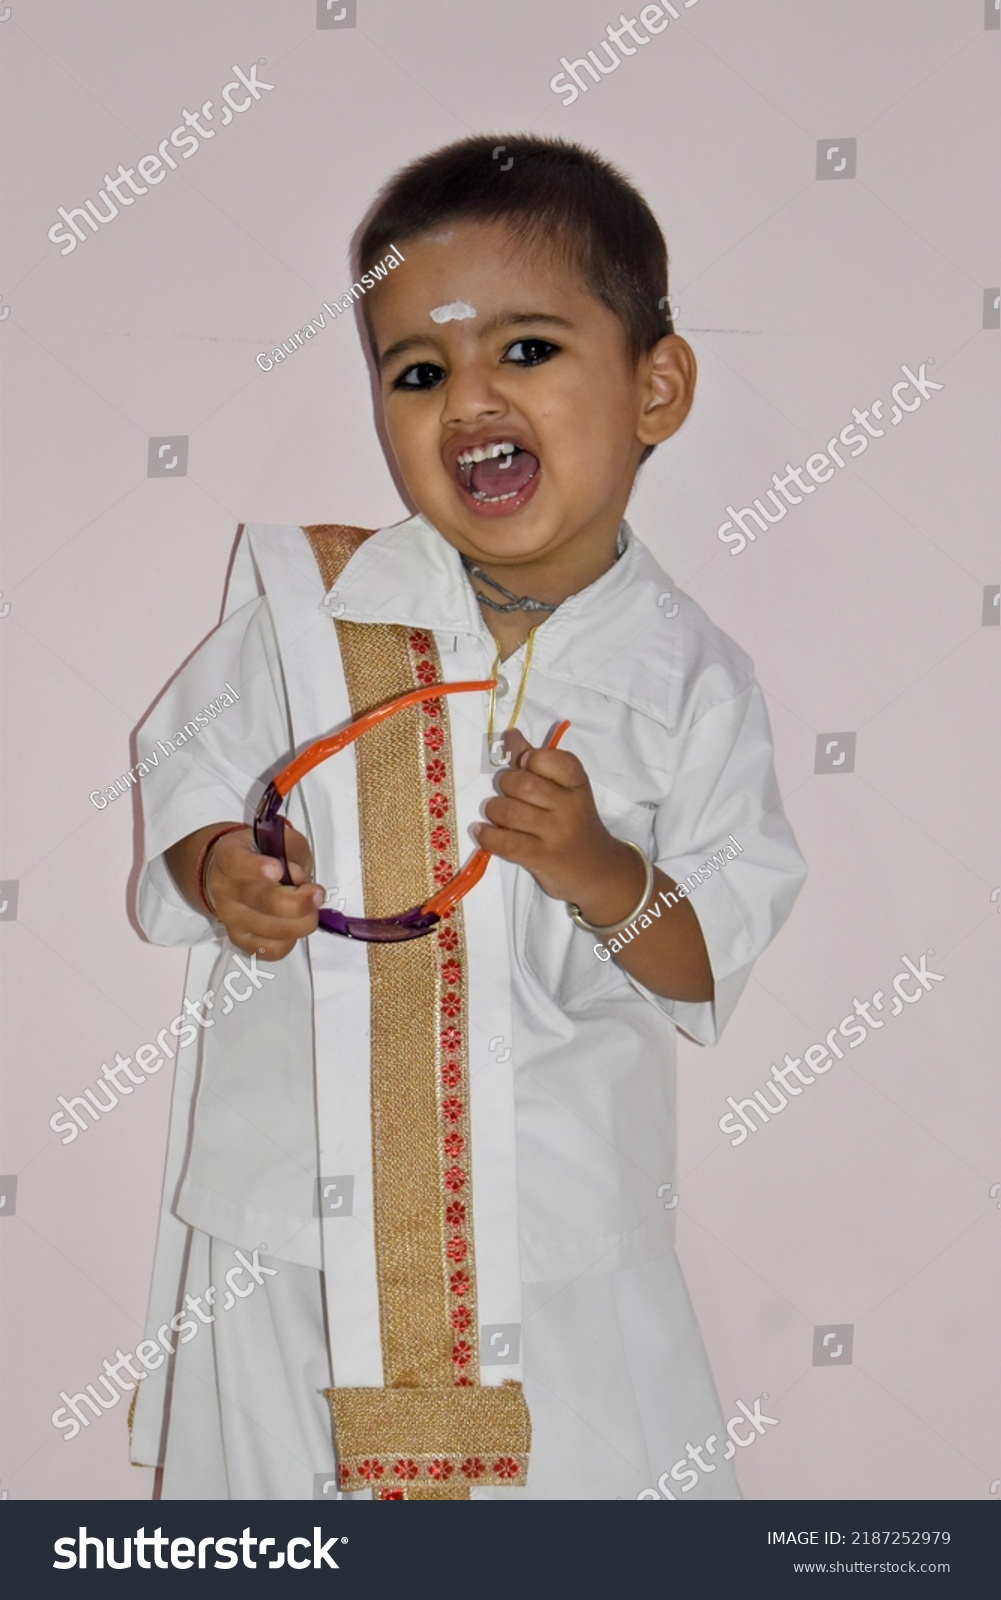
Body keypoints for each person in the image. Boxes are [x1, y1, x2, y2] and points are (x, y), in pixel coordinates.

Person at [129, 134, 807, 1500]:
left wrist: (603, 871)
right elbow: (189, 771)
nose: (468, 399)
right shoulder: (312, 615)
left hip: (553, 1239)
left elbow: (706, 951)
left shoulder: (689, 680)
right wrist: (218, 870)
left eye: (529, 351)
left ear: (655, 386)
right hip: (290, 1238)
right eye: (419, 372)